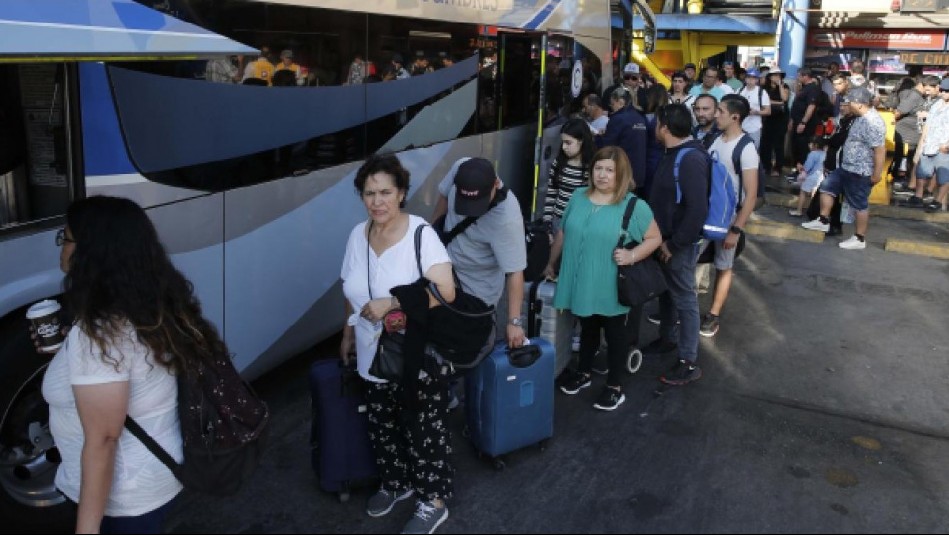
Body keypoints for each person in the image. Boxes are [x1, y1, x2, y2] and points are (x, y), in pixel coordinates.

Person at [40, 196, 234, 533]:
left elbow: (103, 439)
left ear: (91, 251)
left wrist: (86, 530)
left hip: (123, 499)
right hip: (153, 479)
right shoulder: (149, 304)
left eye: (66, 237)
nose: (62, 246)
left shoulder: (101, 332)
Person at [339, 153, 456, 534]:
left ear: (401, 193)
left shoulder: (421, 234)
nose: (377, 201)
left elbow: (447, 292)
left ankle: (433, 501)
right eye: (369, 193)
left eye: (385, 192)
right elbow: (350, 288)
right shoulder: (358, 235)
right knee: (382, 425)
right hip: (372, 353)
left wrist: (393, 302)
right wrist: (348, 329)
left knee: (423, 428)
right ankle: (397, 483)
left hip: (413, 353)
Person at [544, 146, 662, 410]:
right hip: (581, 278)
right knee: (586, 327)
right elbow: (563, 233)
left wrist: (631, 256)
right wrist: (551, 263)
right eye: (599, 168)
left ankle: (614, 386)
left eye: (610, 170)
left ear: (622, 174)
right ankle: (584, 373)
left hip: (611, 282)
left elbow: (655, 238)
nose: (603, 175)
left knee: (615, 334)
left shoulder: (634, 205)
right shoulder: (578, 196)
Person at [644, 103, 709, 385]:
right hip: (665, 240)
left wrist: (674, 243)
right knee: (668, 294)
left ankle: (688, 360)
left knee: (684, 298)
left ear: (665, 127)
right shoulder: (674, 153)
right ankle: (667, 340)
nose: (653, 127)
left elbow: (697, 210)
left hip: (678, 244)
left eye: (656, 122)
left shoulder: (690, 158)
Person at [431, 157, 527, 346]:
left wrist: (514, 322)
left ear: (495, 185)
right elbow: (443, 196)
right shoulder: (460, 166)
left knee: (467, 345)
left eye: (475, 203)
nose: (468, 209)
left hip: (476, 288)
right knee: (436, 335)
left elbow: (515, 272)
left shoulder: (507, 219)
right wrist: (431, 234)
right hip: (443, 269)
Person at [697, 94, 759, 338]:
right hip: (707, 215)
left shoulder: (746, 148)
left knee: (724, 266)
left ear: (735, 117)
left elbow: (751, 195)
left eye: (720, 111)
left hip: (728, 220)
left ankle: (713, 315)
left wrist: (736, 229)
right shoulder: (715, 139)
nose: (715, 115)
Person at [802, 87, 886, 250]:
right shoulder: (857, 117)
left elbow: (879, 150)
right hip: (845, 167)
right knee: (827, 187)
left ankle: (859, 238)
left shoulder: (874, 122)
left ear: (860, 104)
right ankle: (823, 220)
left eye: (850, 102)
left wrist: (877, 173)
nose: (847, 105)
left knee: (859, 204)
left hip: (860, 170)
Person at [544, 118, 596, 233]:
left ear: (581, 141)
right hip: (557, 221)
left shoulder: (593, 166)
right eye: (563, 142)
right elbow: (551, 193)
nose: (563, 147)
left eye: (568, 142)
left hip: (581, 224)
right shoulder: (558, 163)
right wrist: (547, 222)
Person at [598, 86, 648, 191]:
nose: (611, 108)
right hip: (640, 173)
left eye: (612, 104)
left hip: (622, 173)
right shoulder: (641, 118)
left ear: (620, 102)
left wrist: (598, 137)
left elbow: (607, 147)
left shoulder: (618, 119)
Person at [911, 77, 949, 212]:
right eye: (943, 90)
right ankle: (918, 196)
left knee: (943, 176)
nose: (945, 93)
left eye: (947, 91)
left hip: (944, 147)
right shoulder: (936, 105)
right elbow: (928, 125)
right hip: (929, 144)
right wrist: (922, 144)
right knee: (922, 173)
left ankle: (937, 201)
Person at [789, 68, 822, 175]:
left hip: (805, 125)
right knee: (796, 147)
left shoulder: (813, 88)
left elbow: (811, 106)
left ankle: (803, 172)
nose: (798, 78)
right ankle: (797, 169)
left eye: (799, 76)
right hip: (796, 121)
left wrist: (803, 122)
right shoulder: (804, 88)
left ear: (805, 76)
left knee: (803, 148)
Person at [761, 68, 790, 177]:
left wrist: (780, 86)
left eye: (779, 75)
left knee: (778, 144)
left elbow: (785, 99)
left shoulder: (784, 87)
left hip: (781, 119)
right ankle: (766, 166)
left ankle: (778, 167)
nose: (777, 77)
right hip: (768, 118)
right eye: (774, 75)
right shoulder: (765, 88)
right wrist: (779, 103)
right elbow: (765, 101)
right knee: (766, 143)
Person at [790, 137, 827, 217]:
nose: (809, 145)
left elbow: (807, 168)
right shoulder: (824, 154)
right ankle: (815, 213)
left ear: (815, 145)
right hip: (821, 176)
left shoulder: (812, 154)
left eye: (810, 143)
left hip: (812, 176)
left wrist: (800, 167)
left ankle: (799, 211)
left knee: (803, 192)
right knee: (814, 194)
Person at [738, 68, 771, 148]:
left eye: (753, 78)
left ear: (757, 80)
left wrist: (756, 112)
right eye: (748, 77)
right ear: (745, 78)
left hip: (754, 128)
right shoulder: (739, 91)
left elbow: (768, 111)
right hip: (739, 128)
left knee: (753, 151)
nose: (750, 79)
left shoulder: (762, 92)